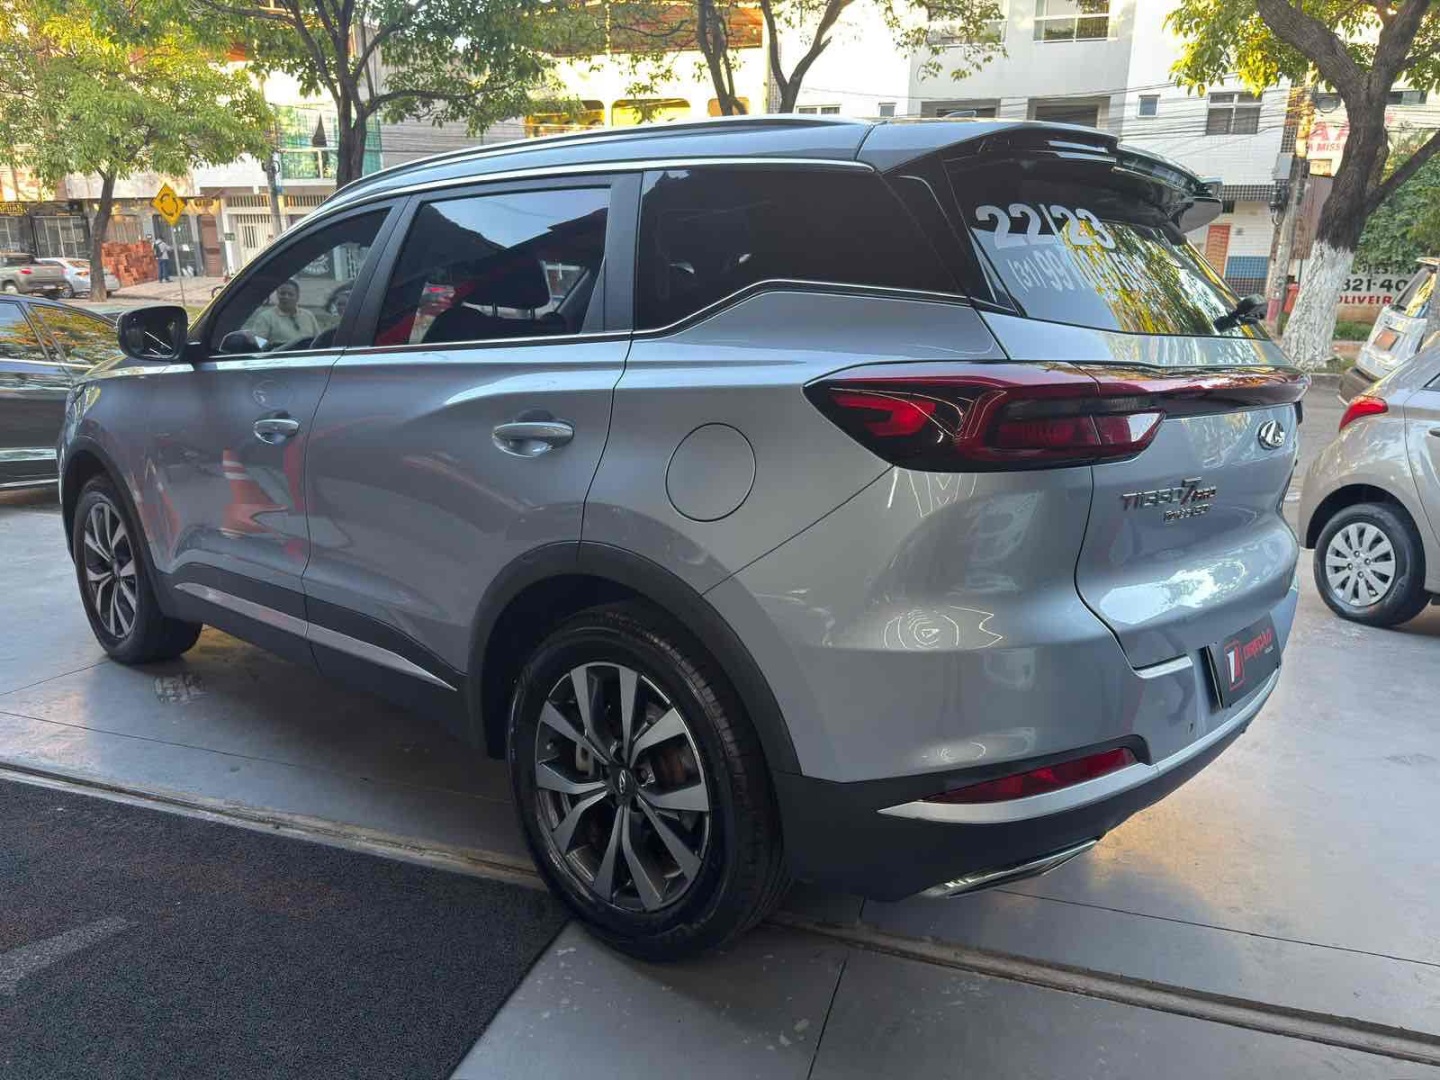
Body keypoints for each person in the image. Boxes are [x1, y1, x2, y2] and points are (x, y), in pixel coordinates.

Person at [245, 278, 320, 350]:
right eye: (282, 293)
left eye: (290, 294)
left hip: (307, 356)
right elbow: (258, 344)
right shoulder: (266, 317)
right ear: (277, 295)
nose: (286, 297)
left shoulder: (308, 315)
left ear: (297, 297)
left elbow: (318, 341)